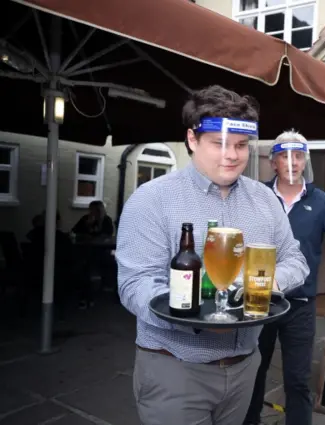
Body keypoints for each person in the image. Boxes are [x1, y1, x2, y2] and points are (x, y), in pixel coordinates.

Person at [116, 85, 309, 425]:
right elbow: (135, 285)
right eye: (218, 143)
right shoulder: (152, 200)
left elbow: (296, 259)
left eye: (240, 145)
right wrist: (197, 313)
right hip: (174, 367)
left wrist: (266, 281)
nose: (231, 155)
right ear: (192, 139)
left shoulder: (266, 201)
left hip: (245, 366)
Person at [244, 130, 325, 425]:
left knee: (297, 380)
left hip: (300, 303)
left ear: (304, 161)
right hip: (260, 300)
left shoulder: (320, 201)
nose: (292, 162)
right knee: (252, 372)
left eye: (298, 156)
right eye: (284, 156)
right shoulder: (257, 196)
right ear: (273, 162)